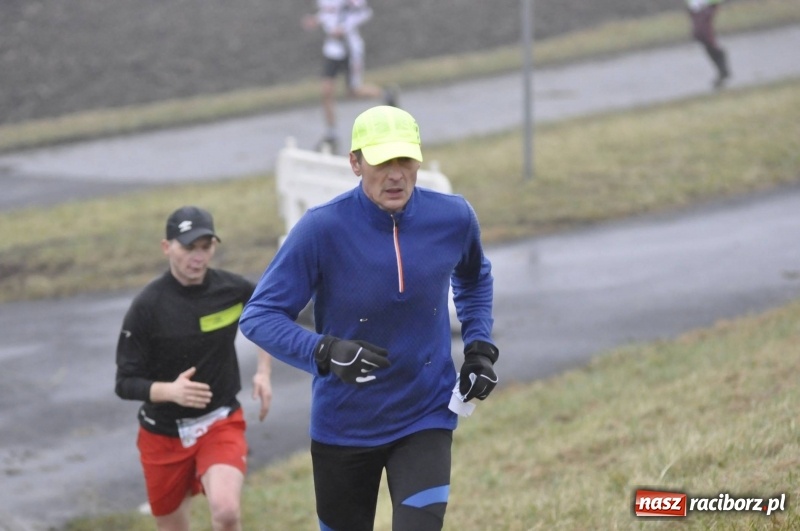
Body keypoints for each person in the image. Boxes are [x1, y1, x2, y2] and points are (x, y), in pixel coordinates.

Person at [240, 105, 499, 531]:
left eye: (405, 160)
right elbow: (259, 316)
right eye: (382, 162)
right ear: (356, 163)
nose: (396, 174)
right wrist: (323, 350)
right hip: (344, 426)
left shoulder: (452, 217)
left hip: (425, 414)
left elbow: (474, 278)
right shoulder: (321, 229)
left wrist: (479, 350)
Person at [115, 205, 273, 531]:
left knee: (226, 511)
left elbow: (269, 318)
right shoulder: (147, 307)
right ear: (166, 247)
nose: (198, 257)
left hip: (220, 422)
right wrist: (170, 391)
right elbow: (124, 382)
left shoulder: (232, 289)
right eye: (188, 247)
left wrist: (263, 372)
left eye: (206, 247)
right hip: (162, 435)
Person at [302, 0, 398, 154]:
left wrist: (344, 27)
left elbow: (365, 12)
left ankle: (386, 94)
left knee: (353, 91)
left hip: (349, 48)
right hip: (332, 48)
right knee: (326, 91)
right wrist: (316, 20)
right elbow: (329, 12)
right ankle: (331, 133)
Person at [685, 0, 730, 89]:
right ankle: (722, 70)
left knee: (709, 44)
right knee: (709, 45)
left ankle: (722, 70)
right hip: (699, 14)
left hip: (704, 12)